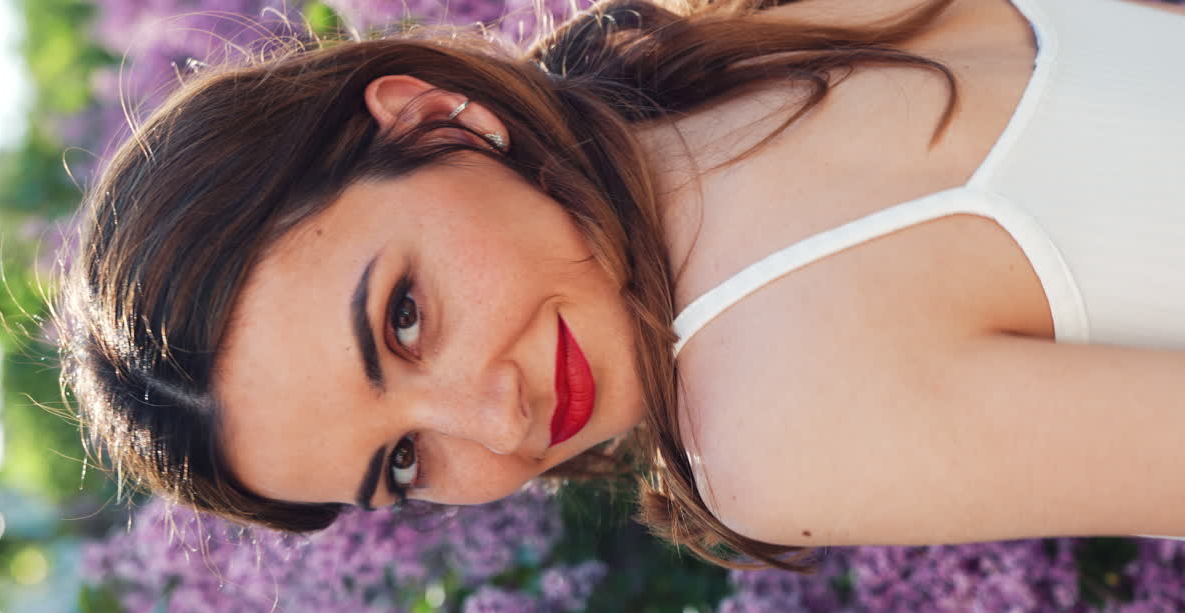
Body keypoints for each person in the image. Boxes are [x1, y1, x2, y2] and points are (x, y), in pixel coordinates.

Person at [58, 0, 1185, 573]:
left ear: (434, 119)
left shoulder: (762, 435)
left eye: (405, 317)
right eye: (403, 464)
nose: (493, 422)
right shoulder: (751, 45)